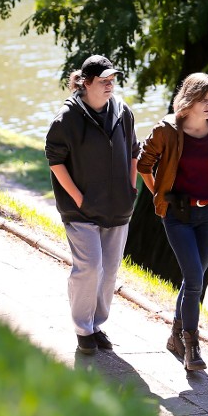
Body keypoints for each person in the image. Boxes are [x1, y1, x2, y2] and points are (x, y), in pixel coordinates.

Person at [45, 55, 140, 354]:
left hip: (117, 207)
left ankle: (97, 324)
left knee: (109, 270)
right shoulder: (68, 118)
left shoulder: (123, 112)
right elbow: (55, 160)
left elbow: (134, 152)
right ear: (86, 83)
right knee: (89, 268)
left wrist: (130, 187)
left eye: (112, 80)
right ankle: (82, 329)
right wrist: (77, 197)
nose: (110, 85)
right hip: (81, 210)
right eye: (103, 81)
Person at [137, 73, 208, 371]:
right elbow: (144, 165)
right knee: (194, 280)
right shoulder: (167, 129)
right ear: (189, 100)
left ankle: (176, 336)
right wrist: (160, 196)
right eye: (204, 100)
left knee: (194, 281)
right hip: (179, 216)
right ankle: (192, 347)